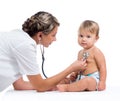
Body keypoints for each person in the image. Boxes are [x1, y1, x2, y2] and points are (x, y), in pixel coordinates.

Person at [0, 11, 87, 92]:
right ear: (40, 35)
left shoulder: (19, 37)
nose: (55, 39)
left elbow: (20, 85)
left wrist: (53, 84)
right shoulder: (25, 44)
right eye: (53, 35)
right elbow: (40, 87)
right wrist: (71, 68)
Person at [57, 20, 107, 92]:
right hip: (80, 77)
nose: (83, 39)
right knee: (65, 79)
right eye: (81, 36)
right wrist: (75, 73)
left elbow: (102, 67)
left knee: (86, 81)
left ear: (96, 38)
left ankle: (67, 88)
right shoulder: (80, 52)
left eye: (88, 36)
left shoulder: (96, 51)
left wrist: (102, 82)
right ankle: (54, 86)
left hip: (92, 79)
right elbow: (79, 67)